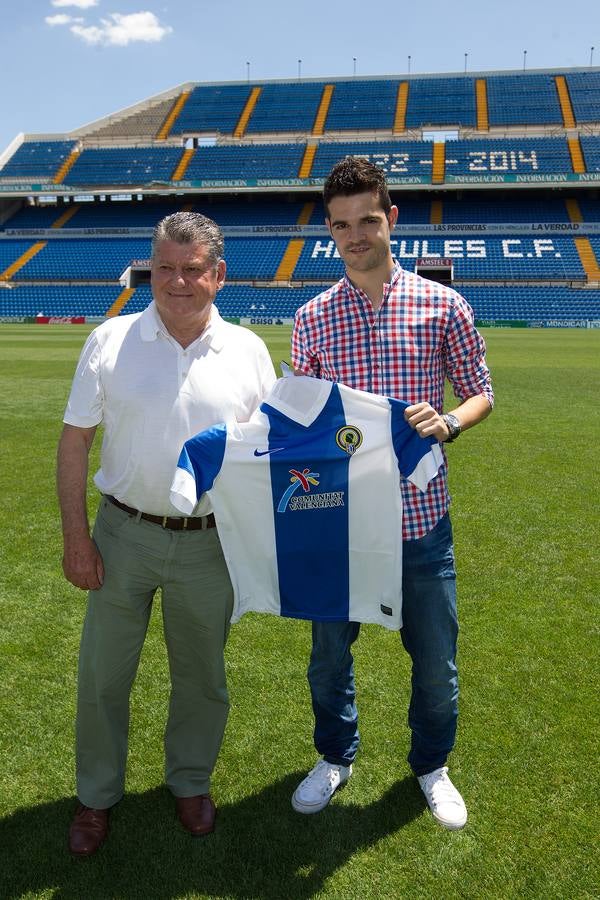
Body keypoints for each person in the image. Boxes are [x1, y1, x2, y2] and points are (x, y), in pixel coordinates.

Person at [57, 211, 276, 856]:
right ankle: (95, 797)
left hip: (211, 541)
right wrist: (76, 536)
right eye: (163, 269)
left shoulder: (249, 351)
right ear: (148, 269)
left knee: (202, 675)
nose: (175, 282)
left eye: (191, 270)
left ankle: (189, 781)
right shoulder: (109, 340)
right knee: (102, 675)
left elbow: (269, 450)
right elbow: (75, 442)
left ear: (218, 275)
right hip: (123, 534)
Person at [290, 157, 494, 830]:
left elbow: (480, 394)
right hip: (338, 528)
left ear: (391, 219)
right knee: (327, 662)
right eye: (342, 225)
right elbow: (300, 418)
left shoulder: (444, 305)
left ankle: (433, 767)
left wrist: (450, 423)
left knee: (437, 667)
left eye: (368, 221)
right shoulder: (311, 317)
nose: (356, 235)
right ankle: (335, 756)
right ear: (329, 229)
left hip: (420, 526)